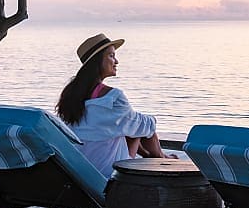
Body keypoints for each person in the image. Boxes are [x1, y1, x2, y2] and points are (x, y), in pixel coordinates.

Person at [56, 33, 171, 177]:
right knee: (140, 126)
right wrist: (152, 121)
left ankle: (152, 156)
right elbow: (146, 126)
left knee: (129, 126)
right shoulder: (113, 98)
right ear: (98, 61)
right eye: (111, 55)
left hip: (81, 174)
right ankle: (163, 159)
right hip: (111, 174)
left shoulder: (71, 95)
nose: (116, 61)